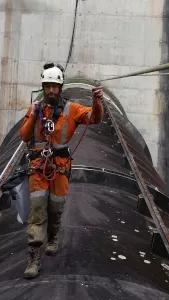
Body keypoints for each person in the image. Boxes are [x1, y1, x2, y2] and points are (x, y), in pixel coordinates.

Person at [19, 62, 103, 279]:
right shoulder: (36, 109)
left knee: (56, 209)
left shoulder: (71, 109)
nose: (51, 90)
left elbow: (95, 118)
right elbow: (24, 136)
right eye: (47, 86)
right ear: (43, 87)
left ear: (61, 87)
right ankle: (34, 257)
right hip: (39, 168)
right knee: (37, 212)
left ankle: (54, 236)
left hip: (60, 169)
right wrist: (34, 113)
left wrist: (97, 101)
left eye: (54, 87)